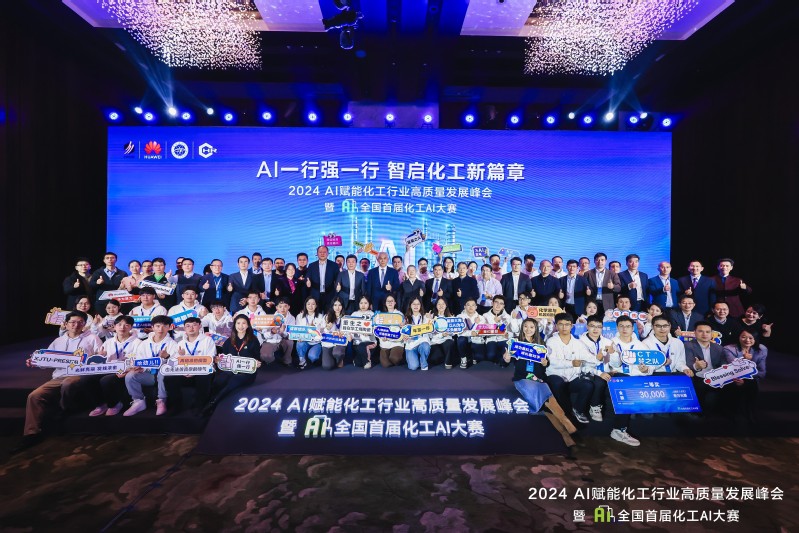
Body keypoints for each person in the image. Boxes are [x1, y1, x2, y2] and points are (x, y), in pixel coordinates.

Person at [14, 311, 103, 452]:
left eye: (80, 322)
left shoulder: (92, 338)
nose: (76, 325)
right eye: (72, 322)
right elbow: (47, 360)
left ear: (84, 324)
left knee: (69, 383)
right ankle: (31, 433)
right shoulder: (58, 341)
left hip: (80, 374)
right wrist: (35, 361)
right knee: (34, 396)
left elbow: (100, 358)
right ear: (66, 324)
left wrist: (98, 359)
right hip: (59, 376)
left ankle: (64, 408)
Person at [504, 318, 577, 447]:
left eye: (531, 327)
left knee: (547, 407)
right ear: (522, 328)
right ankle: (565, 422)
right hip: (523, 379)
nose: (528, 329)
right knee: (545, 398)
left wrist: (545, 362)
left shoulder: (540, 343)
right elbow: (506, 361)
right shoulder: (516, 343)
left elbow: (545, 363)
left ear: (536, 329)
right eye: (525, 326)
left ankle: (565, 434)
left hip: (539, 378)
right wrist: (507, 358)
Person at [203, 315, 262, 416]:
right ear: (234, 325)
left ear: (248, 325)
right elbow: (224, 357)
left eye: (244, 323)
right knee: (219, 380)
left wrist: (257, 363)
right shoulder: (229, 341)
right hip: (231, 369)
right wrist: (218, 360)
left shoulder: (253, 340)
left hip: (247, 372)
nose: (241, 326)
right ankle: (206, 401)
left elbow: (257, 358)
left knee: (233, 381)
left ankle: (212, 404)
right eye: (238, 323)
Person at [545, 313, 597, 425]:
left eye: (567, 324)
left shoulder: (578, 343)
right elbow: (551, 362)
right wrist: (571, 363)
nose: (564, 327)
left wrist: (600, 357)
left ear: (572, 326)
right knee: (557, 383)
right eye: (561, 324)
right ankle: (566, 413)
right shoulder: (551, 342)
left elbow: (589, 357)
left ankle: (578, 410)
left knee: (587, 385)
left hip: (572, 377)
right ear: (556, 326)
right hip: (555, 375)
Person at [123, 315, 178, 416]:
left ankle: (161, 401)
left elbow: (175, 364)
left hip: (164, 375)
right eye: (158, 326)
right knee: (130, 376)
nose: (161, 329)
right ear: (152, 327)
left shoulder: (173, 344)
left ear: (170, 327)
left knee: (163, 372)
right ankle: (138, 401)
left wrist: (167, 357)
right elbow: (139, 360)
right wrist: (141, 368)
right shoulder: (144, 344)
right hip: (149, 375)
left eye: (164, 326)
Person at [86, 315, 140, 417]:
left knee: (106, 380)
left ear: (131, 327)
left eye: (126, 325)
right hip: (109, 369)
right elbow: (100, 361)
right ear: (114, 327)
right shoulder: (108, 342)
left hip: (125, 371)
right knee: (87, 379)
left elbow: (139, 361)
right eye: (119, 324)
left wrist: (128, 370)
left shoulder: (137, 342)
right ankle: (101, 405)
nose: (122, 327)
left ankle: (114, 404)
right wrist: (100, 357)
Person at [167, 316, 217, 413]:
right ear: (184, 328)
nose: (191, 328)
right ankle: (176, 407)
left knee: (204, 377)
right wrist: (181, 358)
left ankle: (202, 407)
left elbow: (210, 359)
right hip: (185, 372)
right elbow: (175, 361)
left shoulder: (207, 340)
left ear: (200, 326)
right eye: (188, 326)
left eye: (194, 325)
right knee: (170, 378)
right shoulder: (180, 343)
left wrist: (194, 370)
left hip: (203, 370)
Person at [577, 315, 615, 422]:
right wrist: (599, 373)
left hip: (605, 372)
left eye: (599, 327)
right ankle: (595, 407)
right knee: (599, 381)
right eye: (592, 326)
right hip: (586, 372)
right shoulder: (580, 342)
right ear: (587, 327)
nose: (595, 329)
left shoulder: (608, 342)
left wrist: (613, 356)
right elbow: (582, 365)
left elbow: (612, 362)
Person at [723, 329, 767, 420]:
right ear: (739, 337)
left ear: (755, 339)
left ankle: (749, 412)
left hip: (751, 379)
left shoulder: (761, 349)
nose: (747, 340)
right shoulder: (728, 348)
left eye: (751, 338)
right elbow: (733, 368)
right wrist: (744, 360)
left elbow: (762, 373)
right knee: (737, 385)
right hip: (733, 377)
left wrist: (745, 378)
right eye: (743, 337)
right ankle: (734, 414)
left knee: (750, 384)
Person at [684, 321, 727, 413]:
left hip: (715, 378)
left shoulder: (718, 348)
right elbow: (687, 364)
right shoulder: (688, 345)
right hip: (697, 377)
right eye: (701, 331)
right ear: (694, 332)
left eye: (708, 332)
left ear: (712, 334)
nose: (704, 334)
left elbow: (724, 365)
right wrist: (696, 366)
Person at [259, 299, 295, 366]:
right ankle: (270, 360)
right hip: (271, 341)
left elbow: (290, 335)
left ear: (288, 307)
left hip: (283, 340)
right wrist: (272, 332)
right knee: (265, 356)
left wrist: (282, 332)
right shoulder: (270, 317)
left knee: (290, 342)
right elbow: (264, 335)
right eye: (280, 306)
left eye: (285, 306)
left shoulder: (292, 318)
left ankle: (287, 360)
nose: (283, 309)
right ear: (276, 307)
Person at [306, 245, 339, 312]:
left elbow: (337, 279)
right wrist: (307, 282)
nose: (322, 254)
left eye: (324, 252)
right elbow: (307, 277)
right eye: (320, 252)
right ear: (317, 253)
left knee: (329, 314)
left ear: (328, 253)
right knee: (316, 314)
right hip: (315, 294)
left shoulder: (334, 265)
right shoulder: (312, 265)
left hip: (330, 294)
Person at [295, 296, 325, 369]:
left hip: (316, 343)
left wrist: (315, 329)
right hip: (304, 341)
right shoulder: (299, 316)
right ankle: (302, 360)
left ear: (316, 305)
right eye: (308, 304)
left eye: (313, 304)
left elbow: (323, 332)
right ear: (305, 305)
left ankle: (315, 356)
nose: (310, 306)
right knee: (299, 343)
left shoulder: (321, 317)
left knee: (313, 357)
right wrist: (298, 337)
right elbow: (297, 331)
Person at [402, 298, 432, 370]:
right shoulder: (405, 319)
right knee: (413, 367)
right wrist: (404, 337)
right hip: (411, 345)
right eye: (414, 304)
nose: (416, 306)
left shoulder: (425, 317)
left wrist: (430, 320)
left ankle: (423, 363)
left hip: (422, 342)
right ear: (410, 306)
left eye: (418, 304)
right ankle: (416, 357)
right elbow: (402, 334)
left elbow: (431, 334)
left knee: (425, 347)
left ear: (421, 306)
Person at [481, 295, 511, 365]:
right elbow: (483, 332)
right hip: (491, 339)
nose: (498, 305)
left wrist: (508, 334)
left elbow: (510, 331)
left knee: (505, 361)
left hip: (503, 339)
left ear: (503, 306)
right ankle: (498, 358)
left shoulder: (507, 317)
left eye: (501, 303)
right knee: (490, 356)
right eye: (496, 302)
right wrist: (494, 322)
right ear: (492, 303)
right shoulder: (485, 316)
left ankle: (502, 360)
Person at [457, 299, 486, 368]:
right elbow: (458, 332)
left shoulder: (481, 318)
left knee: (480, 357)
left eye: (473, 305)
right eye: (468, 305)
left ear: (476, 307)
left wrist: (477, 324)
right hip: (464, 339)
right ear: (464, 306)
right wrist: (470, 333)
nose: (471, 307)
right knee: (460, 339)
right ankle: (463, 358)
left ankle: (473, 356)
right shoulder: (459, 317)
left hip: (476, 339)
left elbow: (484, 333)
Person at [350, 296, 377, 369]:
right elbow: (350, 328)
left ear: (369, 304)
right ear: (358, 304)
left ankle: (367, 361)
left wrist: (370, 332)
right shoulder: (354, 314)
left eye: (365, 303)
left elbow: (377, 329)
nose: (363, 305)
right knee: (358, 363)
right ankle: (363, 359)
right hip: (357, 342)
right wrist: (350, 336)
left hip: (370, 341)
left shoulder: (373, 314)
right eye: (361, 303)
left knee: (362, 346)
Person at [378, 294, 405, 368]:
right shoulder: (381, 315)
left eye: (392, 301)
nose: (390, 303)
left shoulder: (399, 314)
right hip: (385, 342)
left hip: (397, 342)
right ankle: (389, 355)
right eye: (388, 301)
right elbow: (378, 329)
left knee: (395, 359)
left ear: (395, 302)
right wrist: (381, 337)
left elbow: (404, 329)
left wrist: (403, 326)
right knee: (385, 364)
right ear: (385, 303)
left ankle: (399, 356)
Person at [429, 298, 456, 368]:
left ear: (446, 305)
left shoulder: (450, 316)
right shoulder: (431, 317)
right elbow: (430, 335)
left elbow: (454, 333)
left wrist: (450, 332)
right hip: (435, 341)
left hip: (446, 340)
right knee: (435, 359)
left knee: (449, 343)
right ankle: (444, 355)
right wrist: (441, 334)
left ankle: (448, 362)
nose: (441, 306)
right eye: (439, 304)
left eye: (443, 304)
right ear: (436, 305)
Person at [321, 298, 348, 370]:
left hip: (339, 342)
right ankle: (333, 359)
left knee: (338, 353)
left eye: (339, 305)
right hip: (328, 344)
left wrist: (344, 334)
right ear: (332, 306)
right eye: (335, 305)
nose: (337, 307)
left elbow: (348, 332)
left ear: (342, 306)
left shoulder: (346, 317)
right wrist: (327, 328)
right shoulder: (326, 317)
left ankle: (339, 359)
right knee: (327, 366)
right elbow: (321, 332)